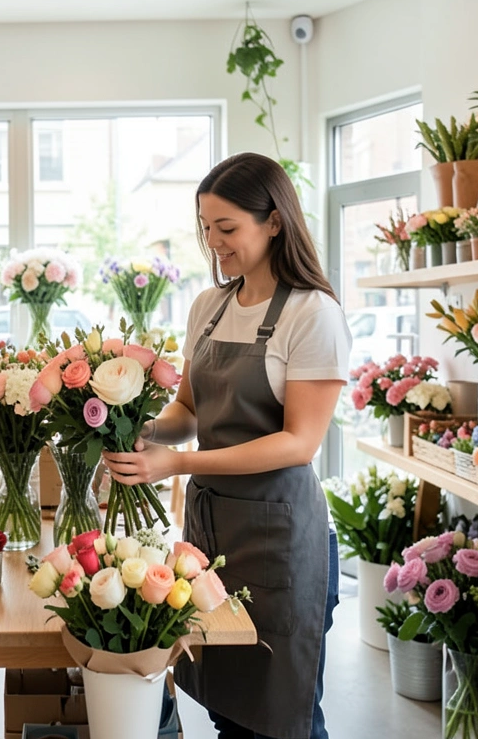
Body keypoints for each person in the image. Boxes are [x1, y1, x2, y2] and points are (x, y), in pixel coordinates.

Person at [102, 152, 351, 739]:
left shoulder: (313, 315)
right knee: (227, 707)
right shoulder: (208, 308)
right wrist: (140, 429)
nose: (215, 243)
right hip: (213, 535)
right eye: (207, 229)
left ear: (274, 222)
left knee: (281, 715)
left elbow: (299, 442)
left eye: (228, 228)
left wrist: (178, 462)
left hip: (282, 540)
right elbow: (189, 410)